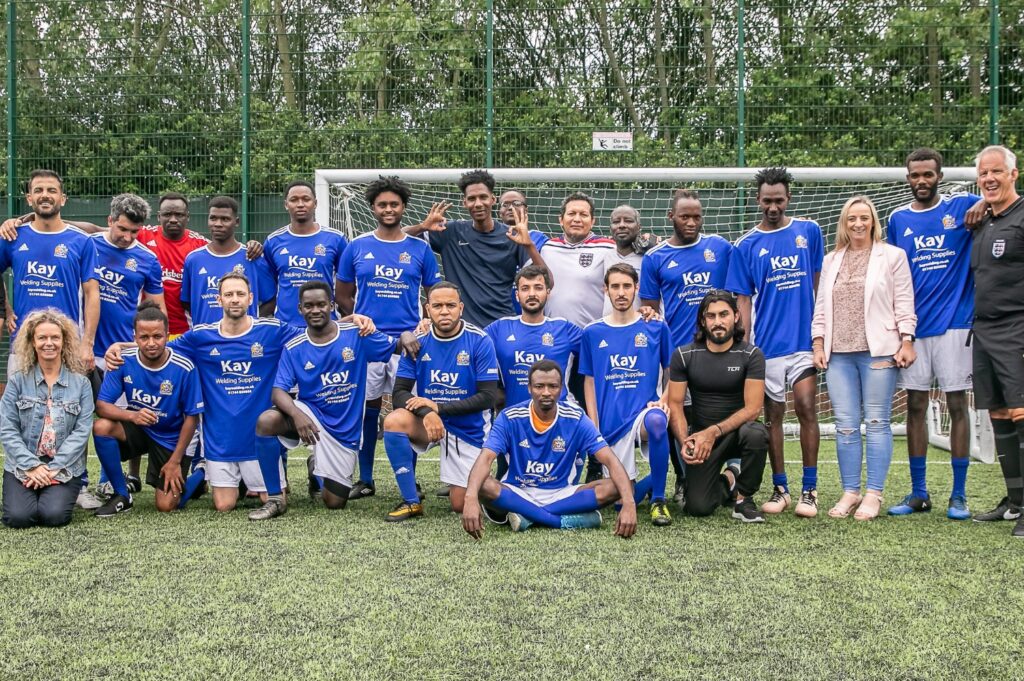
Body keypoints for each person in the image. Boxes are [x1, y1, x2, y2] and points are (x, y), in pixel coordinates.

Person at [885, 148, 985, 519]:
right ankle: (918, 493)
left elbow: (1002, 199)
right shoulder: (898, 220)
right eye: (915, 175)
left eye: (928, 174)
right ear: (907, 178)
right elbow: (894, 273)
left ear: (939, 176)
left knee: (957, 404)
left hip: (956, 322)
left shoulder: (961, 208)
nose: (921, 181)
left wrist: (984, 205)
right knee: (914, 405)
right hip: (913, 327)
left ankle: (959, 495)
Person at [257, 281, 415, 510]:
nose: (315, 310)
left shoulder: (358, 335)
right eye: (308, 306)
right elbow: (278, 391)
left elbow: (398, 347)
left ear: (331, 305)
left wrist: (408, 333)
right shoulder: (294, 346)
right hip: (311, 415)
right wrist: (296, 415)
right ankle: (274, 498)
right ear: (300, 309)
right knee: (267, 421)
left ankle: (315, 466)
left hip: (343, 430)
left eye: (321, 304)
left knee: (334, 502)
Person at [0, 169, 102, 510]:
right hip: (24, 343)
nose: (45, 195)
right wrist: (6, 308)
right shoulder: (13, 236)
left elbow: (91, 293)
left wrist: (87, 342)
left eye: (52, 191)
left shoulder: (80, 241)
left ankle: (79, 482)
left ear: (62, 199)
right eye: (38, 190)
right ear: (29, 199)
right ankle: (25, 476)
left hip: (67, 345)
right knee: (21, 413)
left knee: (72, 415)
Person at [726, 167, 824, 517]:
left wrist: (819, 334)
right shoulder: (746, 245)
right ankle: (780, 488)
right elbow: (744, 302)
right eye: (767, 201)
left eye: (778, 200)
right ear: (757, 200)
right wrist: (747, 346)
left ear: (788, 199)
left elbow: (818, 286)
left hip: (802, 343)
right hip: (767, 347)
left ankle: (809, 490)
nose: (773, 206)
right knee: (773, 417)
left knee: (807, 406)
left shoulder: (809, 232)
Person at [336, 176, 442, 501]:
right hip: (368, 344)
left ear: (403, 207)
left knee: (406, 409)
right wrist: (358, 320)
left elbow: (435, 292)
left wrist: (425, 320)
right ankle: (365, 479)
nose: (388, 209)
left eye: (394, 204)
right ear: (372, 208)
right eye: (382, 204)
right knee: (366, 410)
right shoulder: (357, 246)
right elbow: (342, 294)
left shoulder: (420, 249)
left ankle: (410, 482)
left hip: (408, 345)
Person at [812, 196, 917, 521]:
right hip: (838, 354)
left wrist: (906, 340)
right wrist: (818, 343)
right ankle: (850, 492)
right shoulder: (832, 259)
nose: (858, 224)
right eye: (852, 219)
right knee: (844, 426)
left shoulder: (892, 256)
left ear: (873, 221)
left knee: (876, 422)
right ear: (844, 223)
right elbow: (820, 306)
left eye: (864, 218)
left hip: (879, 351)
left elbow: (904, 300)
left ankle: (873, 493)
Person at [461, 359, 638, 538]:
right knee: (483, 485)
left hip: (561, 493)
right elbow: (485, 458)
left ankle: (528, 516)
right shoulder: (509, 417)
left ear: (561, 389)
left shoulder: (576, 418)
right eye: (539, 386)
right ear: (529, 388)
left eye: (552, 386)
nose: (546, 392)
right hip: (518, 491)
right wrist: (470, 498)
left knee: (618, 486)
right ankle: (556, 520)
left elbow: (610, 459)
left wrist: (629, 504)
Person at [641, 189, 734, 504]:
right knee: (675, 417)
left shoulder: (719, 248)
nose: (691, 222)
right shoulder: (655, 258)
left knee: (719, 415)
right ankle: (683, 478)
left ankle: (729, 476)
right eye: (685, 216)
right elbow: (651, 312)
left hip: (721, 351)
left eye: (696, 216)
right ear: (671, 217)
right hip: (680, 356)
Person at [382, 281, 500, 522]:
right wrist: (428, 413)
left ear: (461, 308)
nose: (444, 311)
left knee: (459, 504)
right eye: (437, 306)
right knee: (394, 420)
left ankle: (490, 484)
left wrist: (440, 408)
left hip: (470, 430)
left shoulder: (480, 341)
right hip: (431, 424)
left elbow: (489, 397)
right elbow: (400, 393)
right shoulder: (417, 342)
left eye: (450, 305)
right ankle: (411, 501)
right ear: (428, 309)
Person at [579, 263, 674, 526]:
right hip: (610, 421)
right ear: (605, 290)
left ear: (636, 289)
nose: (621, 292)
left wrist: (663, 400)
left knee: (656, 422)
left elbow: (673, 372)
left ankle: (658, 500)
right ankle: (642, 487)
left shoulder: (655, 327)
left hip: (644, 412)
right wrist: (593, 424)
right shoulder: (592, 332)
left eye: (627, 286)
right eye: (615, 286)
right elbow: (589, 381)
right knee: (621, 497)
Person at [92, 301, 203, 515]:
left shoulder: (184, 367)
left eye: (157, 337)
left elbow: (192, 418)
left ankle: (201, 472)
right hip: (142, 428)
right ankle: (122, 494)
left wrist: (175, 461)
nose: (151, 343)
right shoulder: (122, 361)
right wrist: (132, 415)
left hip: (172, 437)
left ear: (167, 334)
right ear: (134, 337)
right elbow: (102, 406)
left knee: (167, 505)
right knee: (102, 427)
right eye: (144, 337)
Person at [666, 290, 769, 521]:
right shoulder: (684, 355)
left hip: (737, 434)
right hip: (703, 439)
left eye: (723, 314)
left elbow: (753, 409)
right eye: (710, 316)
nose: (717, 322)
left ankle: (743, 500)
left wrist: (714, 431)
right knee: (698, 507)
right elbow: (675, 405)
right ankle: (731, 477)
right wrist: (686, 442)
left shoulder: (751, 355)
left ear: (736, 316)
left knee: (756, 433)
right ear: (703, 321)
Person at [89, 193, 166, 496]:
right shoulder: (89, 245)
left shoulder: (147, 259)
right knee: (85, 419)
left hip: (121, 351)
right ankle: (79, 481)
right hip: (85, 347)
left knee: (124, 415)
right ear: (109, 221)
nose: (127, 237)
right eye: (122, 229)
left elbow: (156, 310)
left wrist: (132, 345)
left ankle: (118, 479)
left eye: (134, 231)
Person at [406, 169, 548, 328]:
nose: (478, 203)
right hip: (460, 330)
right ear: (464, 202)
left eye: (483, 197)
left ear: (493, 199)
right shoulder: (450, 233)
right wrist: (422, 226)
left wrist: (528, 245)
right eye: (472, 199)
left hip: (501, 327)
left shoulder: (511, 236)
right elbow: (396, 237)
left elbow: (547, 281)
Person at [967, 145, 1024, 536]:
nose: (989, 178)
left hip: (1017, 329)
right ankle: (1016, 501)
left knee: (1022, 415)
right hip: (983, 331)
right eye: (983, 173)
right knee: (999, 415)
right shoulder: (984, 221)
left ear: (1013, 174)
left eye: (996, 172)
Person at [1, 309, 93, 528]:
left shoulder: (81, 384)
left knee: (53, 516)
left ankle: (48, 492)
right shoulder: (17, 382)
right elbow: (7, 428)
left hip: (63, 466)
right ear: (32, 342)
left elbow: (82, 432)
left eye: (55, 337)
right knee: (18, 518)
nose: (48, 343)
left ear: (65, 341)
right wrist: (32, 466)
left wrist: (53, 468)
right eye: (42, 337)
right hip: (23, 464)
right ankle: (24, 493)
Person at [485, 265, 582, 409]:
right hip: (515, 417)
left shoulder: (564, 328)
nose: (532, 294)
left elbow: (600, 351)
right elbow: (468, 347)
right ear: (517, 295)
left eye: (538, 288)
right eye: (525, 289)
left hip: (560, 416)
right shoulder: (499, 329)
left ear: (548, 293)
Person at [263, 180, 348, 327]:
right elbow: (270, 285)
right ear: (286, 204)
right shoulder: (273, 241)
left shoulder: (336, 239)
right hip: (286, 325)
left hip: (327, 325)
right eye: (294, 200)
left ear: (315, 203)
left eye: (306, 199)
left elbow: (347, 285)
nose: (300, 204)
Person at [180, 196, 275, 326]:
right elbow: (186, 302)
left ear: (236, 222)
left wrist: (252, 323)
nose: (218, 224)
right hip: (205, 339)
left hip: (243, 338)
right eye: (213, 218)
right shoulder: (193, 259)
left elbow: (271, 300)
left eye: (225, 219)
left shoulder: (251, 257)